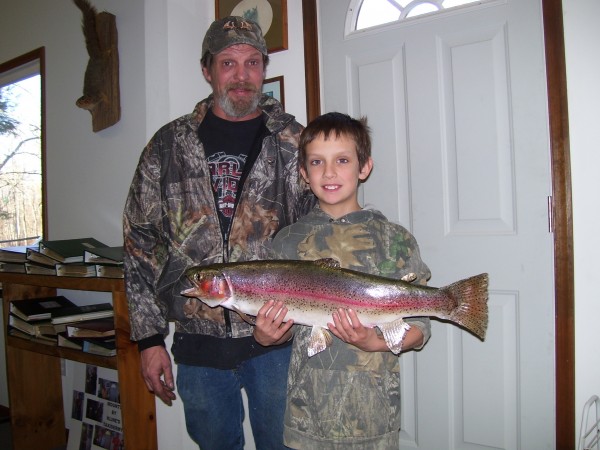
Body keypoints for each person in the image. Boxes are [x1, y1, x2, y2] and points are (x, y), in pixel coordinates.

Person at [122, 16, 315, 450]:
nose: (242, 75)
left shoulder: (295, 142)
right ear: (207, 70)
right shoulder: (167, 146)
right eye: (228, 63)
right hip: (198, 345)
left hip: (278, 341)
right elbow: (140, 245)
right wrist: (150, 341)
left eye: (251, 62)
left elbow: (324, 229)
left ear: (264, 68)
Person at [253, 112, 432, 449]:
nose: (329, 172)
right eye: (317, 162)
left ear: (364, 167)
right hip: (305, 416)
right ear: (304, 173)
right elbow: (288, 325)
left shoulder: (394, 240)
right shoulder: (286, 242)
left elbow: (421, 324)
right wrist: (267, 334)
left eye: (343, 160)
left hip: (373, 416)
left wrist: (374, 342)